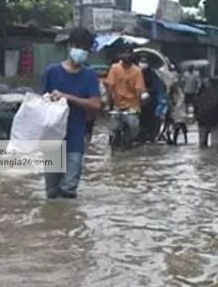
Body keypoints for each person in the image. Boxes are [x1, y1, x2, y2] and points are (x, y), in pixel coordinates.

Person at [40, 28, 101, 199]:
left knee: (68, 191)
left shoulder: (89, 75)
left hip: (75, 139)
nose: (81, 51)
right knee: (51, 193)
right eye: (78, 46)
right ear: (70, 46)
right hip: (52, 140)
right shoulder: (51, 72)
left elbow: (95, 104)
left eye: (85, 49)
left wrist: (67, 97)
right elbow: (40, 104)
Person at [104, 47, 147, 145]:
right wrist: (108, 104)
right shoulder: (115, 68)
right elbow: (109, 87)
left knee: (133, 127)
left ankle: (131, 141)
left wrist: (139, 103)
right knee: (113, 128)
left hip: (132, 106)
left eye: (128, 54)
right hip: (117, 105)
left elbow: (139, 90)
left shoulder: (137, 71)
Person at [194, 67, 218, 151]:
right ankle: (213, 162)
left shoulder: (204, 82)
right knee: (215, 147)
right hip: (217, 119)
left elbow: (197, 100)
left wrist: (196, 116)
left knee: (201, 145)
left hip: (202, 118)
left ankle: (202, 162)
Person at [138, 56, 168, 143]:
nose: (143, 64)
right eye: (141, 62)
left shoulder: (152, 74)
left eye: (144, 62)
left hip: (151, 101)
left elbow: (157, 88)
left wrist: (147, 91)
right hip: (137, 100)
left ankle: (151, 135)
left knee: (151, 118)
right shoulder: (136, 73)